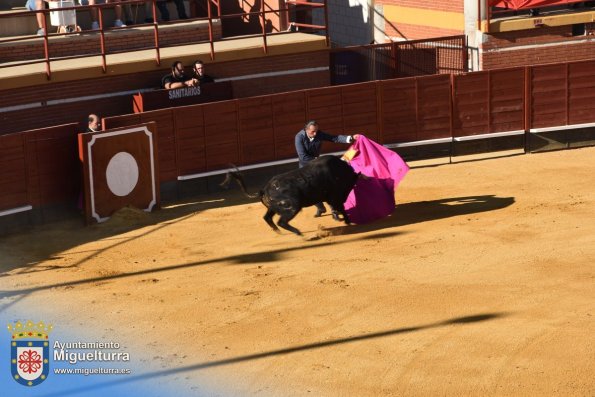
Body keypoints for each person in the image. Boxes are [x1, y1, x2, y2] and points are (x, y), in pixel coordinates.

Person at [295, 120, 359, 217]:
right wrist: (319, 160)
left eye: (316, 131)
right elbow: (303, 156)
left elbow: (334, 138)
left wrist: (350, 138)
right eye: (313, 131)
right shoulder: (299, 137)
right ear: (306, 130)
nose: (315, 133)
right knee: (308, 190)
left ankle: (334, 209)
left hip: (318, 166)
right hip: (305, 167)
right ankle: (320, 208)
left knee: (326, 186)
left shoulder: (319, 134)